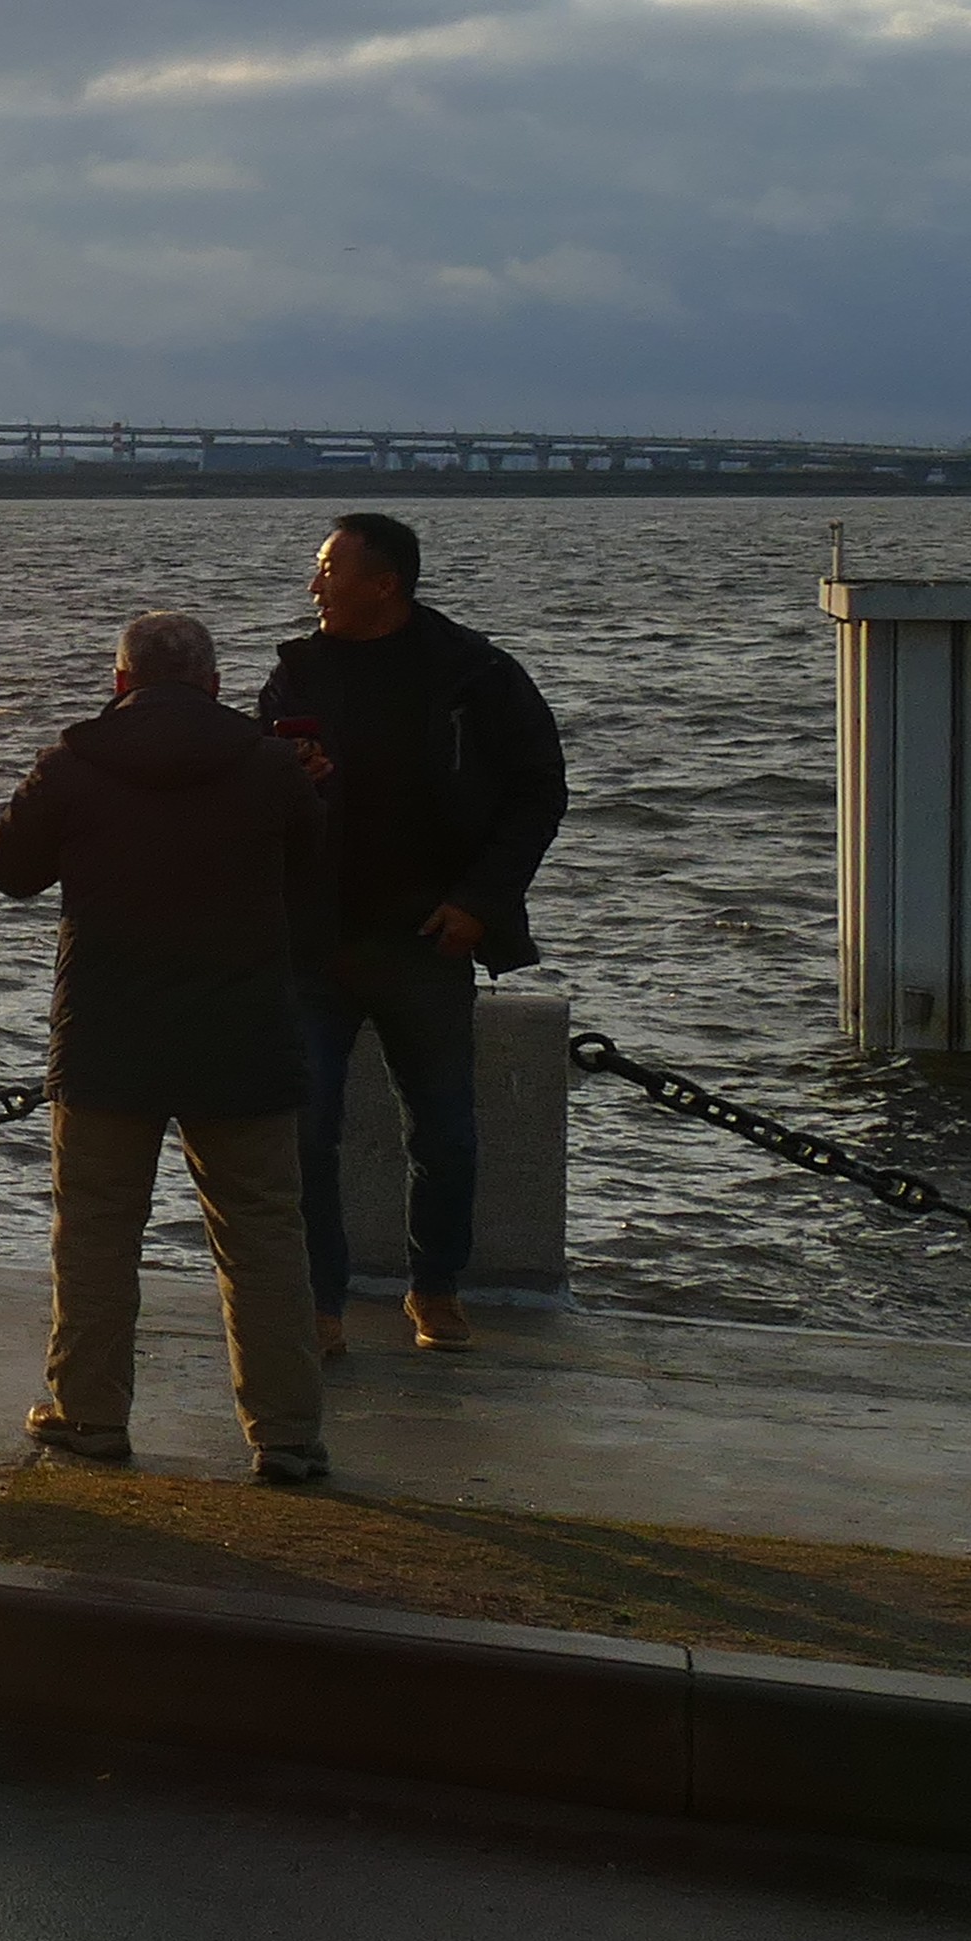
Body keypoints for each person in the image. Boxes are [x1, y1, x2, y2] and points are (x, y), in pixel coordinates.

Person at [0, 609, 330, 1482]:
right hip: (243, 1037)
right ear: (214, 685)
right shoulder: (271, 765)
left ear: (122, 683)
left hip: (108, 1036)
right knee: (265, 1239)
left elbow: (8, 869)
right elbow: (319, 882)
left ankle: (89, 1414)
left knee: (96, 1234)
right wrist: (313, 786)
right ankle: (285, 1435)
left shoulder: (76, 761)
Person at [253, 512, 565, 1357]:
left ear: (384, 583)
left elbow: (540, 791)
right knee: (305, 1128)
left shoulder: (476, 674)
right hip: (316, 941)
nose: (313, 584)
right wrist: (292, 780)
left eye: (327, 568)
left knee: (446, 1128)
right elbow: (258, 793)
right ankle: (320, 1303)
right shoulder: (296, 675)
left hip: (429, 939)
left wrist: (481, 902)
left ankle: (436, 1289)